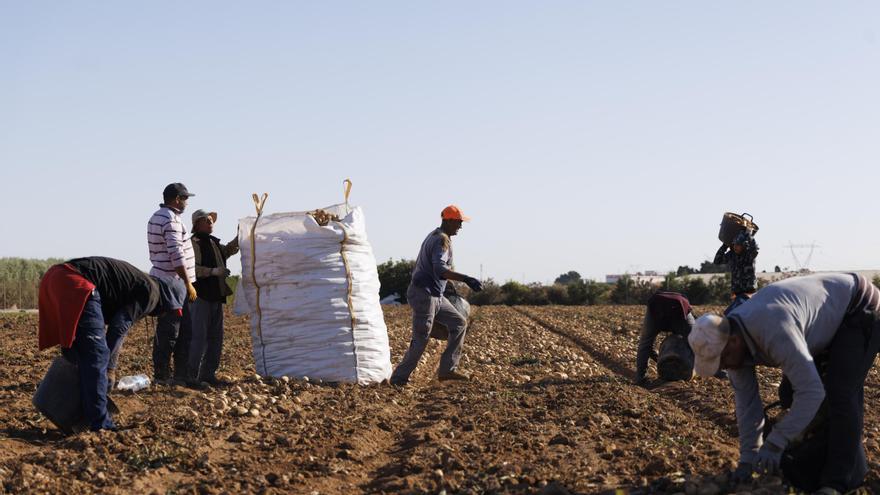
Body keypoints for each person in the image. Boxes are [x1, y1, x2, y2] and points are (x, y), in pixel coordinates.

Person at [688, 273, 880, 494]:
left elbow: (810, 392)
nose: (723, 367)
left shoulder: (773, 329)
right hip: (817, 324)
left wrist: (775, 443)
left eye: (722, 360)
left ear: (734, 341)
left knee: (840, 393)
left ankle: (837, 481)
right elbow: (747, 404)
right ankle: (818, 463)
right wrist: (748, 458)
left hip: (858, 306)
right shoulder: (731, 347)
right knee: (788, 394)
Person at [38, 257, 186, 431]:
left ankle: (62, 406)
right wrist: (110, 368)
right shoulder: (152, 293)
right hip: (75, 282)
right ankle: (101, 424)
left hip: (54, 278)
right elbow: (118, 327)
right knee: (98, 356)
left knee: (80, 353)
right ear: (169, 300)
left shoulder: (138, 283)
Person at [389, 205, 483, 386]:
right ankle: (398, 379)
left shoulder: (436, 236)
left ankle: (448, 369)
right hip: (424, 295)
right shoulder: (441, 240)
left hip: (435, 295)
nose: (460, 226)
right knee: (421, 339)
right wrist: (466, 278)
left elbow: (432, 270)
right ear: (448, 221)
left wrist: (448, 286)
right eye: (458, 222)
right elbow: (439, 269)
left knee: (459, 323)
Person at [147, 182, 198, 384]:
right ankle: (164, 376)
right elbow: (176, 254)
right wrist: (188, 283)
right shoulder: (171, 220)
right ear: (177, 199)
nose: (186, 203)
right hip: (173, 282)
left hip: (168, 279)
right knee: (172, 330)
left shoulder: (157, 217)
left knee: (182, 330)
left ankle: (179, 376)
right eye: (185, 198)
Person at [186, 209, 239, 388]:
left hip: (216, 295)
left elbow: (228, 251)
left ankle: (208, 374)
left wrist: (240, 236)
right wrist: (213, 271)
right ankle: (191, 376)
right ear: (198, 223)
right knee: (198, 337)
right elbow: (191, 268)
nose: (211, 223)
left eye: (211, 220)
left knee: (216, 337)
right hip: (201, 295)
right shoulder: (193, 244)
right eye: (207, 220)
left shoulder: (213, 243)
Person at [634, 291, 694, 385]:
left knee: (645, 344)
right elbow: (697, 345)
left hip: (658, 311)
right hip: (660, 311)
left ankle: (640, 378)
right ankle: (714, 371)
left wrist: (659, 359)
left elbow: (646, 347)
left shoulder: (682, 309)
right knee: (695, 341)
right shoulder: (685, 311)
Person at [713, 229, 759, 314]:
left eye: (738, 245)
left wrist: (749, 235)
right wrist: (725, 245)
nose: (735, 247)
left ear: (744, 245)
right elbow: (717, 260)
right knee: (729, 315)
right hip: (737, 294)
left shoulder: (749, 254)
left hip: (749, 294)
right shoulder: (732, 255)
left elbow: (755, 249)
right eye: (734, 244)